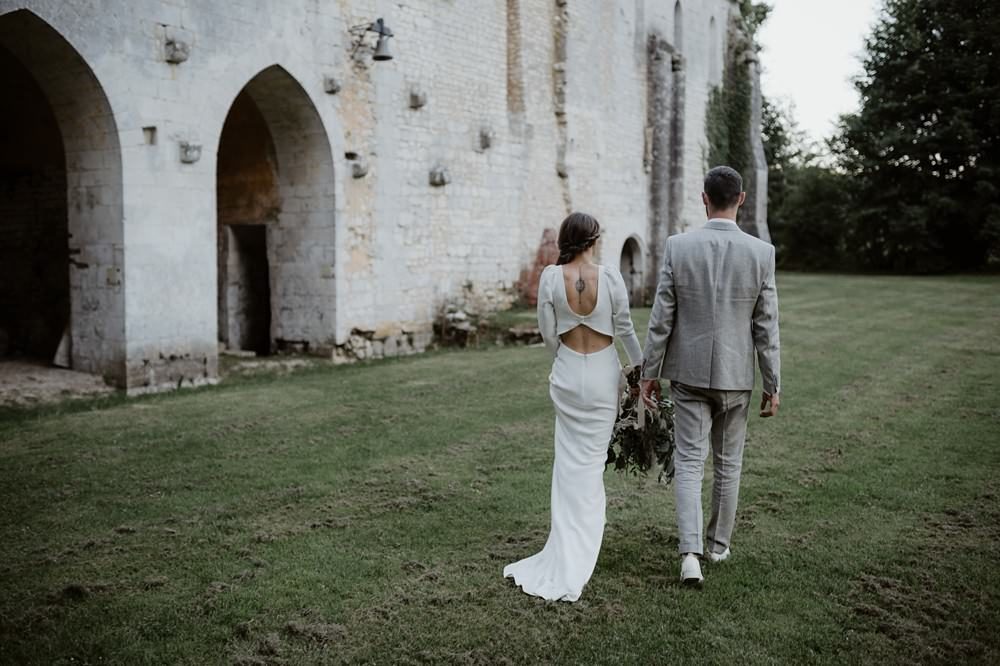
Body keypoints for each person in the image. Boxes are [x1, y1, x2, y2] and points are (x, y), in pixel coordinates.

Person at [640, 166, 781, 586]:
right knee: (728, 464)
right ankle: (717, 546)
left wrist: (649, 373)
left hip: (688, 372)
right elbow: (766, 326)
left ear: (704, 198)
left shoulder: (678, 247)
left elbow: (661, 318)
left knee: (688, 462)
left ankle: (690, 555)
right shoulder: (761, 253)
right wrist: (772, 384)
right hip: (737, 375)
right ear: (741, 199)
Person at [503, 212, 644, 602]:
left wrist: (561, 360)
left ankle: (565, 548)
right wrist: (642, 373)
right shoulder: (610, 277)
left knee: (568, 465)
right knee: (590, 465)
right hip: (601, 375)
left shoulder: (551, 277)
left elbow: (547, 332)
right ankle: (576, 557)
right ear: (594, 239)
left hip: (567, 373)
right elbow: (626, 329)